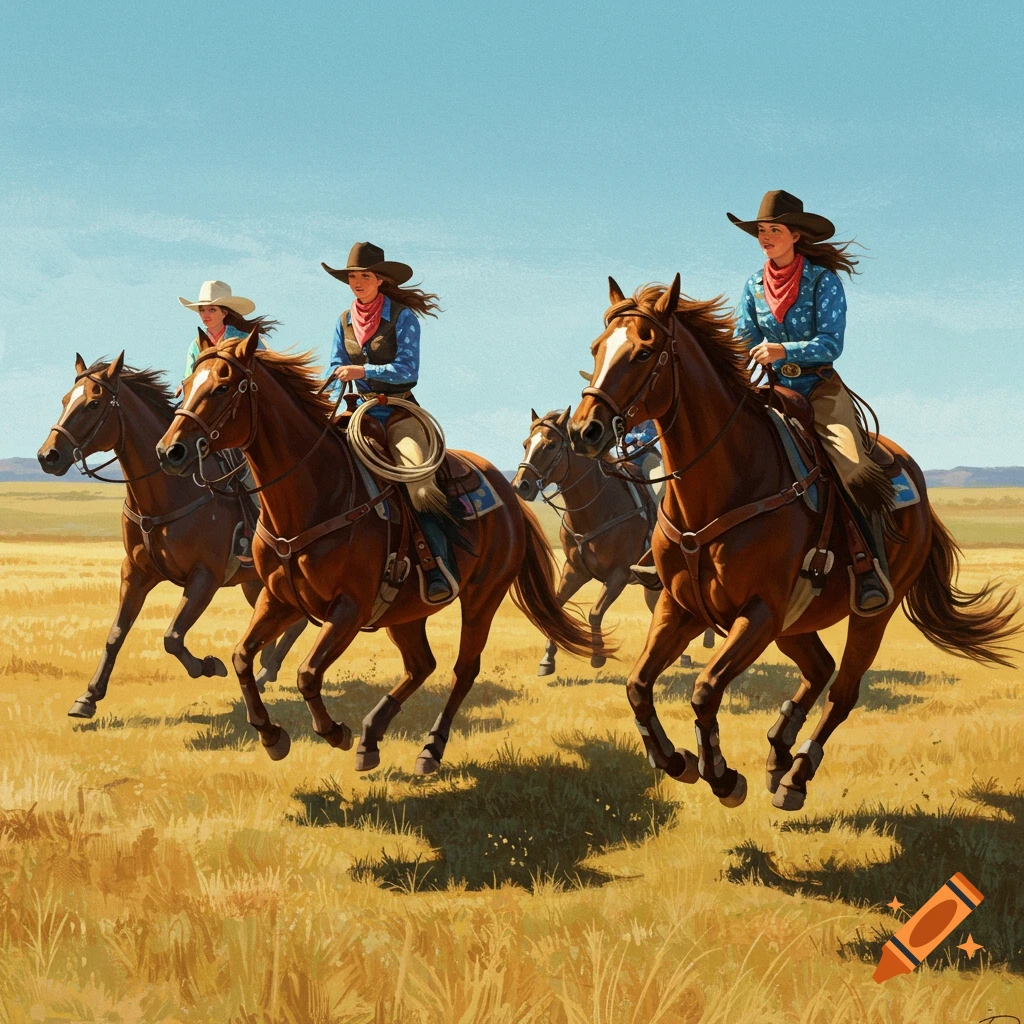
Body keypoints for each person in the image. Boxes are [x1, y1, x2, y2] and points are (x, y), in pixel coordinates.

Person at [728, 190, 894, 613]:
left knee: (852, 464)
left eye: (774, 230)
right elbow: (744, 338)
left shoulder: (823, 281)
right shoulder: (752, 285)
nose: (765, 237)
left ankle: (871, 568)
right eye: (761, 231)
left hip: (820, 390)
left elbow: (831, 344)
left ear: (796, 235)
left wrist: (783, 351)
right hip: (772, 391)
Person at [321, 242, 455, 603]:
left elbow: (408, 370)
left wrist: (362, 370)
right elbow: (335, 365)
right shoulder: (343, 320)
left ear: (380, 279)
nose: (357, 282)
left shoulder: (403, 317)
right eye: (352, 276)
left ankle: (437, 566)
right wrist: (327, 390)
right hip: (358, 412)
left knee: (420, 486)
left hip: (398, 411)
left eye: (364, 275)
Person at [177, 280, 276, 564]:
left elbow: (266, 377)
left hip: (239, 419)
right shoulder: (197, 345)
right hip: (208, 418)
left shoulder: (244, 341)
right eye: (202, 310)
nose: (205, 315)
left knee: (246, 473)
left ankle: (262, 530)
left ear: (224, 312)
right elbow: (191, 379)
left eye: (211, 309)